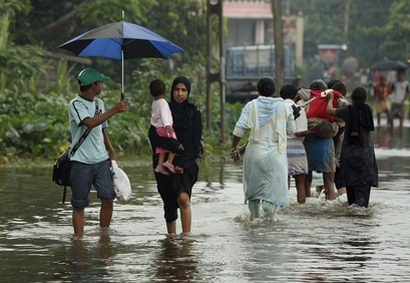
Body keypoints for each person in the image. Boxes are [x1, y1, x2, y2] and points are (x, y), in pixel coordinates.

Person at [68, 68, 127, 235]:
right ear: (93, 85)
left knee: (108, 198)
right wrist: (115, 109)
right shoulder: (75, 104)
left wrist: (111, 150)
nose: (101, 86)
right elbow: (90, 122)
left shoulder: (99, 104)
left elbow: (102, 128)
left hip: (101, 160)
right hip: (81, 162)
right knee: (79, 204)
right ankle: (78, 240)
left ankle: (104, 235)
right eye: (99, 83)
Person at [230, 77, 295, 219]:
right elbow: (290, 130)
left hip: (255, 154)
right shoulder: (285, 107)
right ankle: (268, 222)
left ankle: (254, 219)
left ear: (258, 90)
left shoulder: (251, 106)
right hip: (276, 156)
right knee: (272, 194)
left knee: (254, 192)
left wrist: (234, 148)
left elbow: (239, 130)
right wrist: (291, 116)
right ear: (274, 91)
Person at [148, 76, 202, 236]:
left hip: (186, 163)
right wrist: (174, 147)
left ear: (188, 92)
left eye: (184, 90)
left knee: (184, 198)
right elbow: (153, 135)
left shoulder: (193, 112)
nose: (180, 93)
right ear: (171, 92)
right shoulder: (163, 107)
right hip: (163, 162)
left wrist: (183, 163)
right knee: (169, 204)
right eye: (177, 90)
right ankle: (171, 241)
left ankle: (186, 240)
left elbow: (196, 142)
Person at [326, 86, 378, 207]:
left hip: (349, 159)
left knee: (351, 202)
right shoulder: (368, 110)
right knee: (363, 203)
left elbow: (329, 110)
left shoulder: (347, 111)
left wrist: (330, 98)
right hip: (366, 160)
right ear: (366, 98)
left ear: (352, 98)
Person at [298, 80, 337, 200]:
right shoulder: (330, 101)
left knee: (306, 181)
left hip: (307, 145)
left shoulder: (303, 103)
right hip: (326, 146)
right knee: (329, 181)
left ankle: (306, 205)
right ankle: (330, 204)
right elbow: (339, 124)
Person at [280, 84, 309, 204]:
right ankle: (301, 211)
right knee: (300, 184)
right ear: (296, 95)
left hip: (281, 150)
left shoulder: (278, 108)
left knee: (283, 184)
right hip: (297, 149)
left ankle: (283, 208)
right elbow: (301, 132)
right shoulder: (299, 109)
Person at [150, 79, 179, 175]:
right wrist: (167, 125)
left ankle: (159, 165)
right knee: (174, 144)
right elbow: (164, 114)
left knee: (161, 148)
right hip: (164, 127)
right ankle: (169, 162)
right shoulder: (162, 102)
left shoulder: (155, 102)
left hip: (157, 129)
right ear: (165, 92)